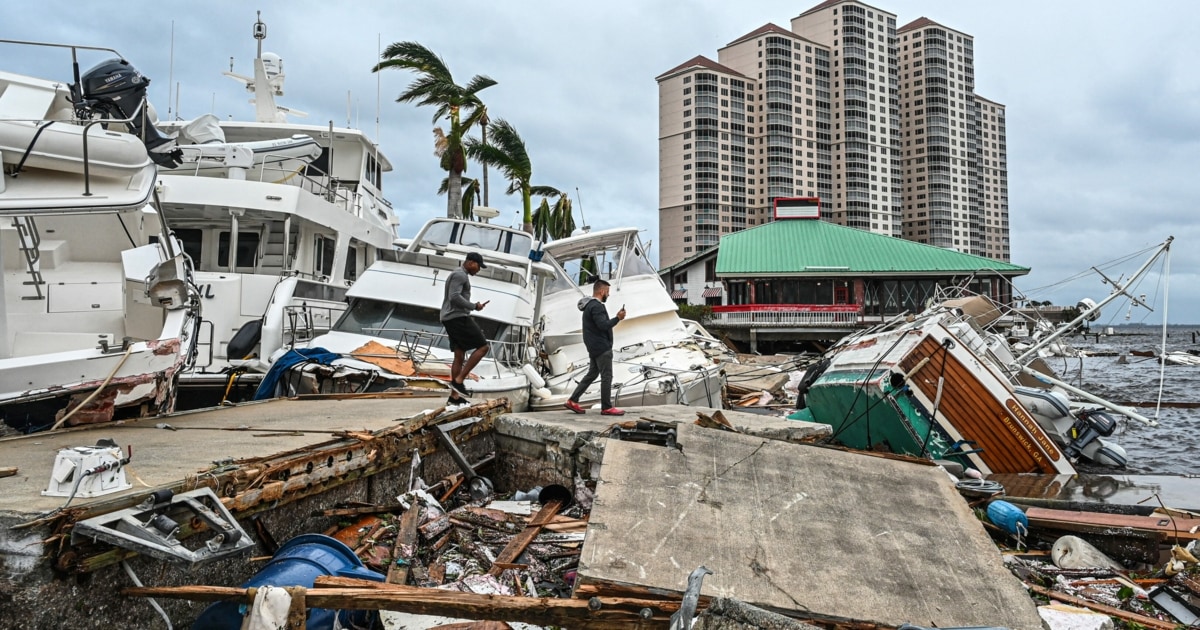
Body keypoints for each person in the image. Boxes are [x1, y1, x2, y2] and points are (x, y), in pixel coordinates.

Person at [564, 278, 627, 415]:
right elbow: (603, 325)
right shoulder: (597, 306)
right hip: (601, 347)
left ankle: (573, 400)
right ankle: (607, 407)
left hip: (593, 347)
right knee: (607, 376)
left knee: (592, 374)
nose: (608, 295)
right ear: (602, 291)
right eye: (608, 292)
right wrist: (618, 318)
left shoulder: (589, 306)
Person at [440, 252, 490, 405]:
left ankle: (454, 397)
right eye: (478, 266)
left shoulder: (458, 274)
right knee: (483, 347)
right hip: (457, 317)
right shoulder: (460, 275)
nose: (479, 270)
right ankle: (459, 380)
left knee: (459, 355)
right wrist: (474, 306)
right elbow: (454, 296)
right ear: (470, 262)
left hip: (449, 317)